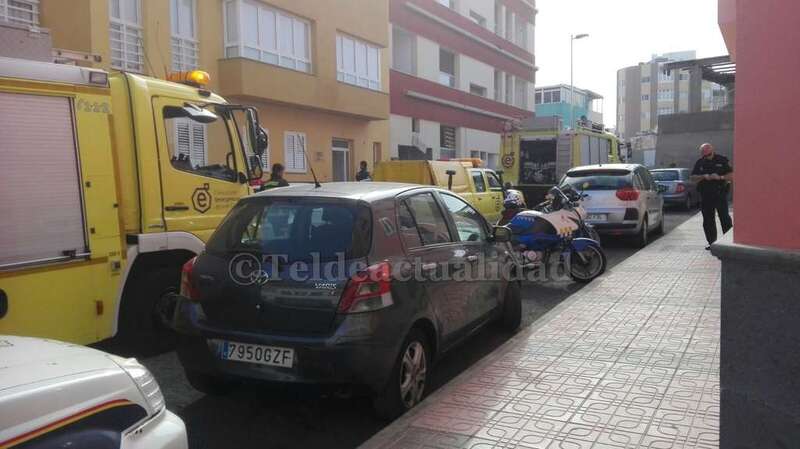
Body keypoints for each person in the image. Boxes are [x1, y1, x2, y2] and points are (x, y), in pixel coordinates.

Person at [690, 143, 733, 249]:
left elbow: (732, 175)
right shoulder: (700, 162)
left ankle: (728, 242)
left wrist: (720, 177)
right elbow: (692, 177)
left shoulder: (722, 160)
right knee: (708, 220)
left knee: (725, 218)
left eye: (708, 154)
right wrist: (703, 176)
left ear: (712, 151)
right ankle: (712, 243)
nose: (705, 156)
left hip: (720, 194)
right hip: (705, 196)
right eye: (703, 154)